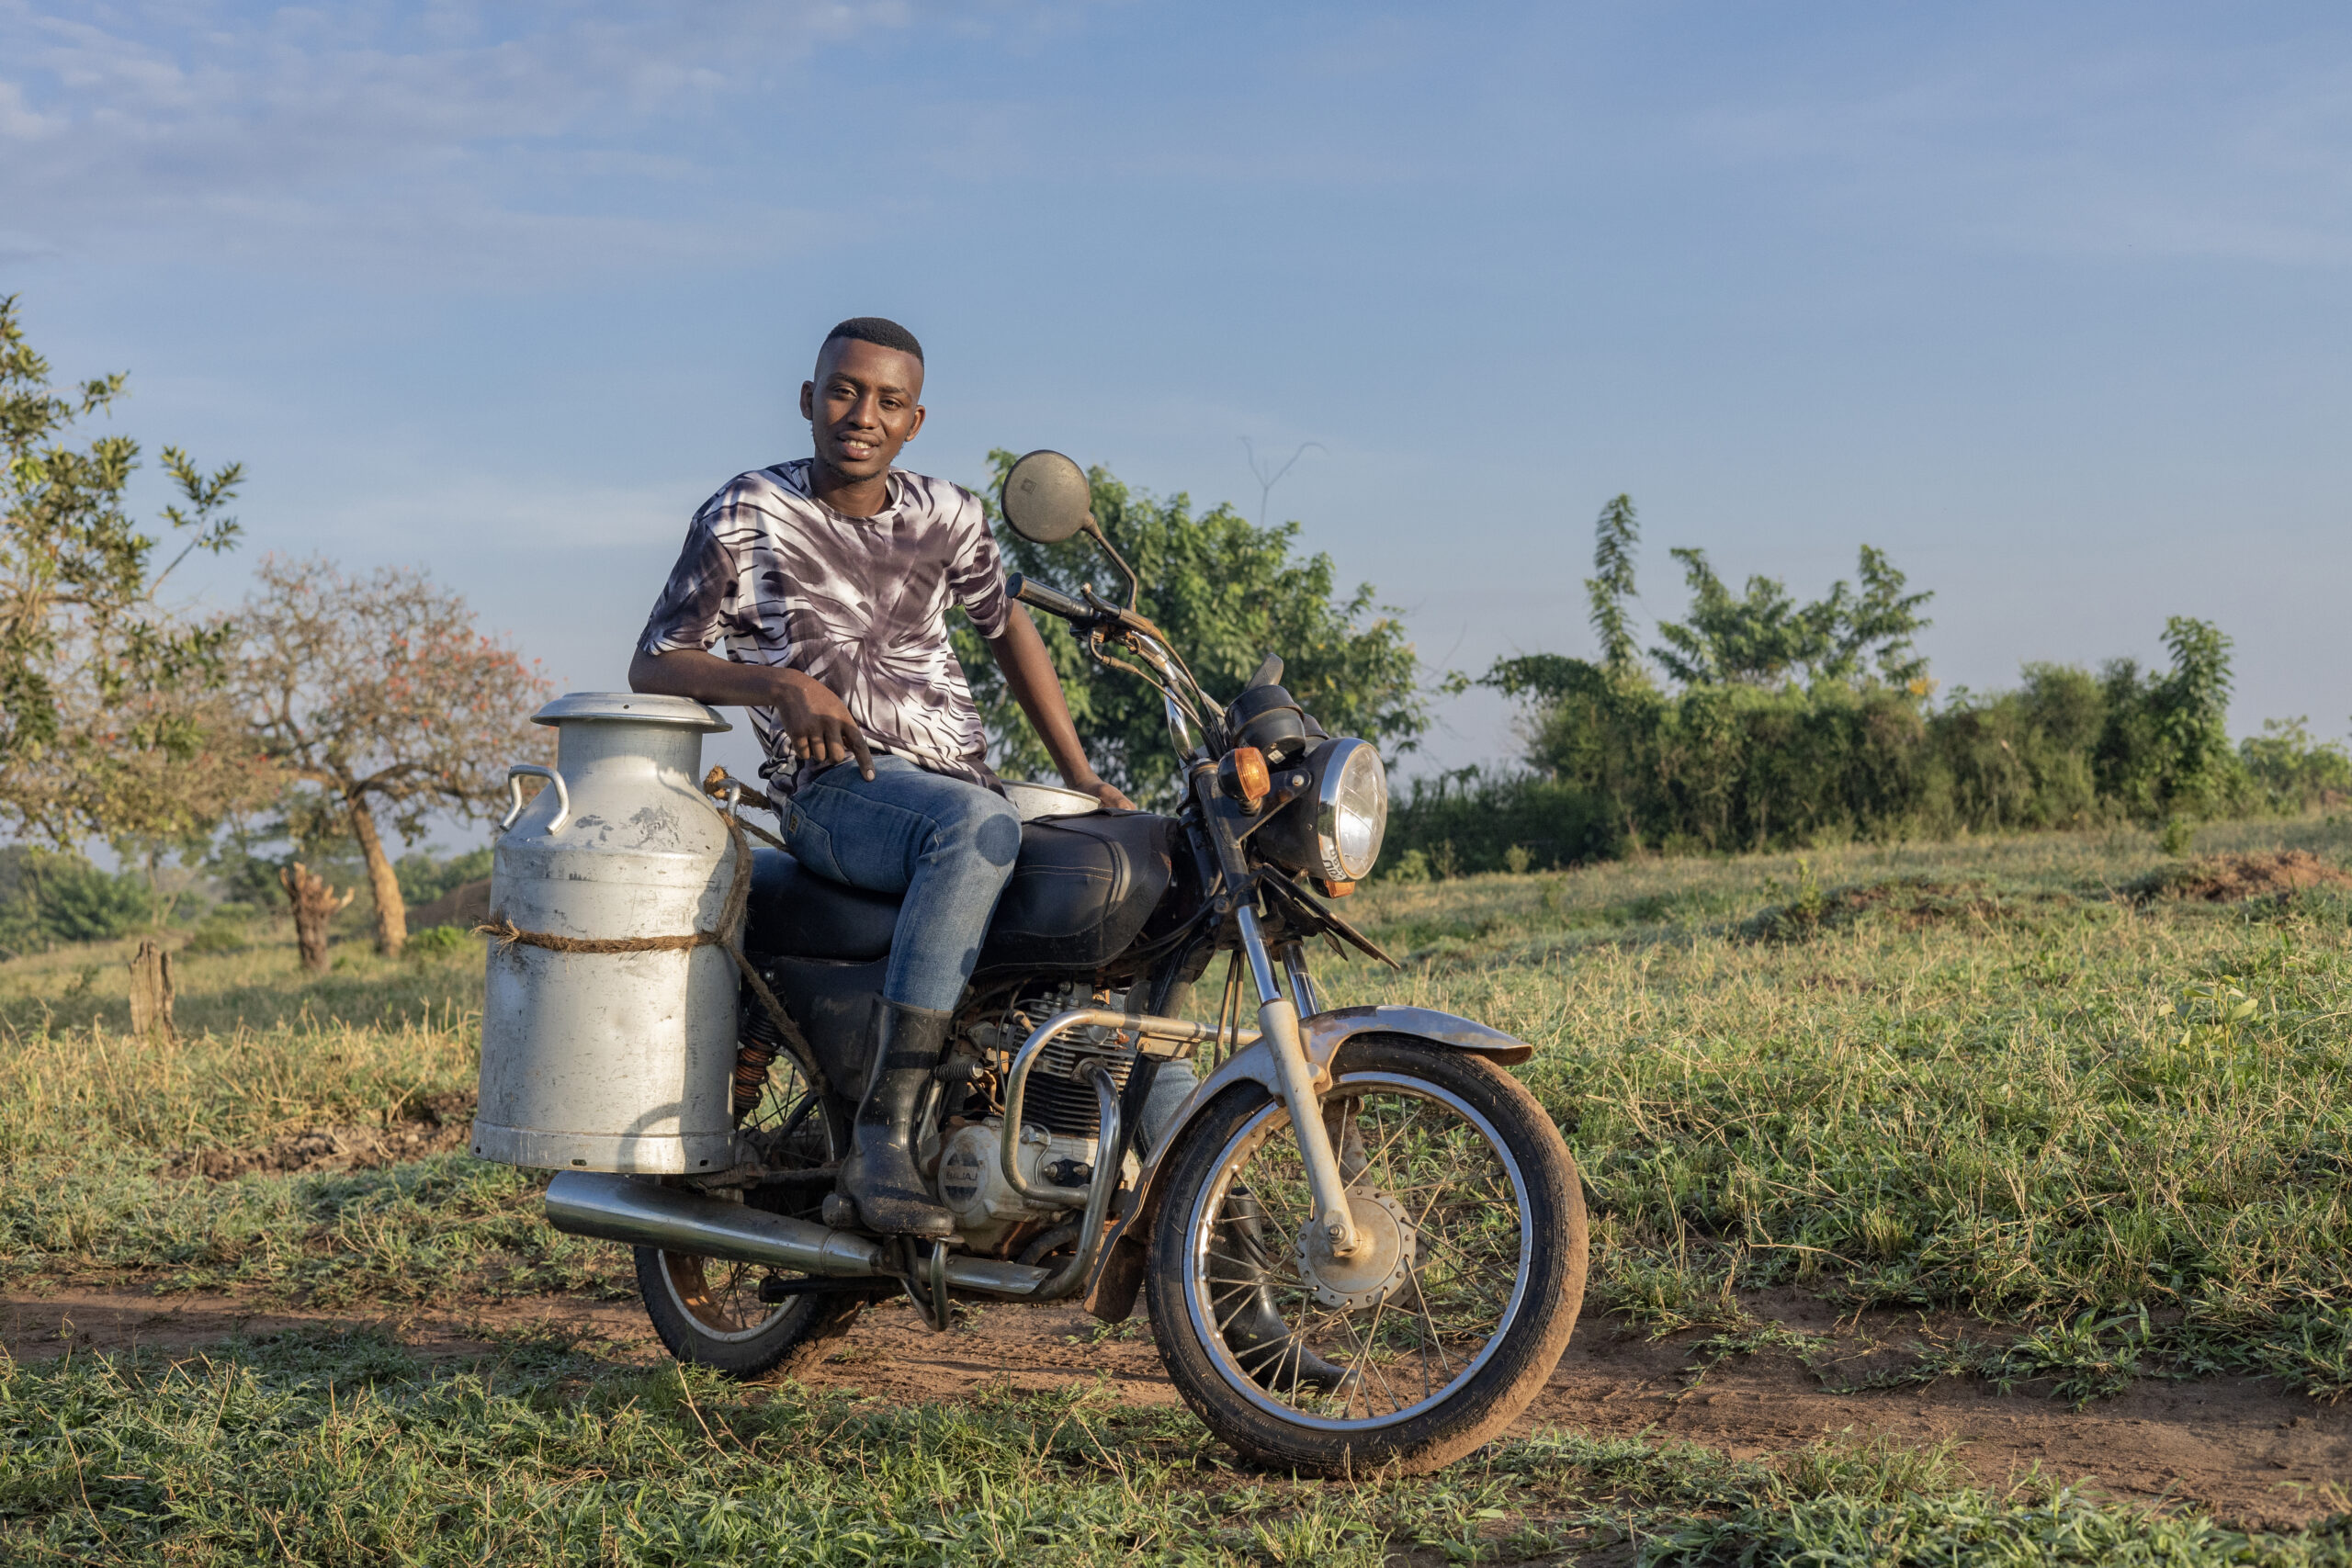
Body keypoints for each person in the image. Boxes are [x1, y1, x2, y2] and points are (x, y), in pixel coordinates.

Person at [629, 316, 1133, 1240]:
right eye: (843, 390)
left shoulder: (949, 514)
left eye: (887, 401)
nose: (861, 414)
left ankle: (1165, 1192)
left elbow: (1008, 626)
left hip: (962, 782)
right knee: (970, 830)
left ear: (915, 420)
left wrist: (1080, 774)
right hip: (835, 794)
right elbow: (658, 661)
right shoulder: (747, 512)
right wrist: (780, 685)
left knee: (1121, 880)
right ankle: (882, 1133)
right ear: (808, 399)